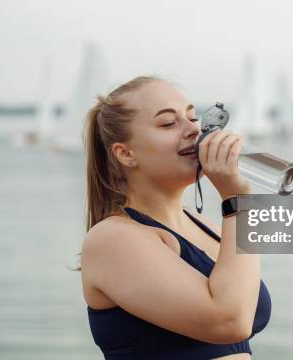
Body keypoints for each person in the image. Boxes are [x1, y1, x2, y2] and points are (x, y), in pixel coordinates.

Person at [79, 75, 271, 359]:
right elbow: (230, 321)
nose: (194, 130)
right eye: (169, 123)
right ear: (126, 153)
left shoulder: (206, 226)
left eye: (193, 118)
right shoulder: (112, 240)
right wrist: (238, 203)